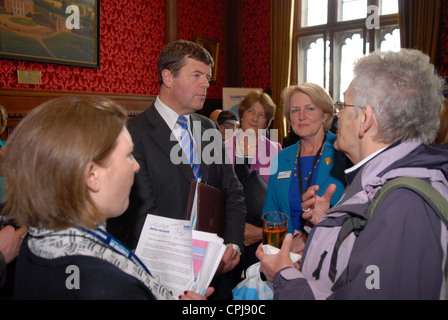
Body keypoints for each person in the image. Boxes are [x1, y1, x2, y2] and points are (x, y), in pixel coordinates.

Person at [257, 49, 448, 300]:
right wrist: (326, 224)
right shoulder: (382, 183)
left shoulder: (405, 204)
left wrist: (283, 276)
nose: (338, 116)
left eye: (343, 106)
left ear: (365, 118)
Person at [2, 96, 211, 300]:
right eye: (129, 155)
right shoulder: (109, 286)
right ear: (92, 175)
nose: (136, 166)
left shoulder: (35, 241)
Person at [107, 40, 246, 300]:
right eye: (197, 75)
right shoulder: (133, 133)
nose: (206, 84)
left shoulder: (208, 129)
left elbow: (233, 191)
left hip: (218, 275)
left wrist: (232, 245)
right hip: (165, 280)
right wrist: (189, 267)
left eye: (207, 77)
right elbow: (142, 215)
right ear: (168, 77)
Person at [262, 83, 346, 248]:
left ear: (325, 115)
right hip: (286, 255)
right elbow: (270, 212)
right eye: (295, 110)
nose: (301, 116)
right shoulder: (280, 158)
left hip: (331, 254)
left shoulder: (343, 153)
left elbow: (356, 214)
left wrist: (308, 239)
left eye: (310, 109)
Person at [224, 91, 282, 269]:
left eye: (262, 114)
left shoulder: (276, 150)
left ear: (267, 121)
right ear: (241, 114)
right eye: (251, 111)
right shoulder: (222, 148)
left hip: (261, 234)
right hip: (229, 229)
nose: (255, 118)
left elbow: (278, 195)